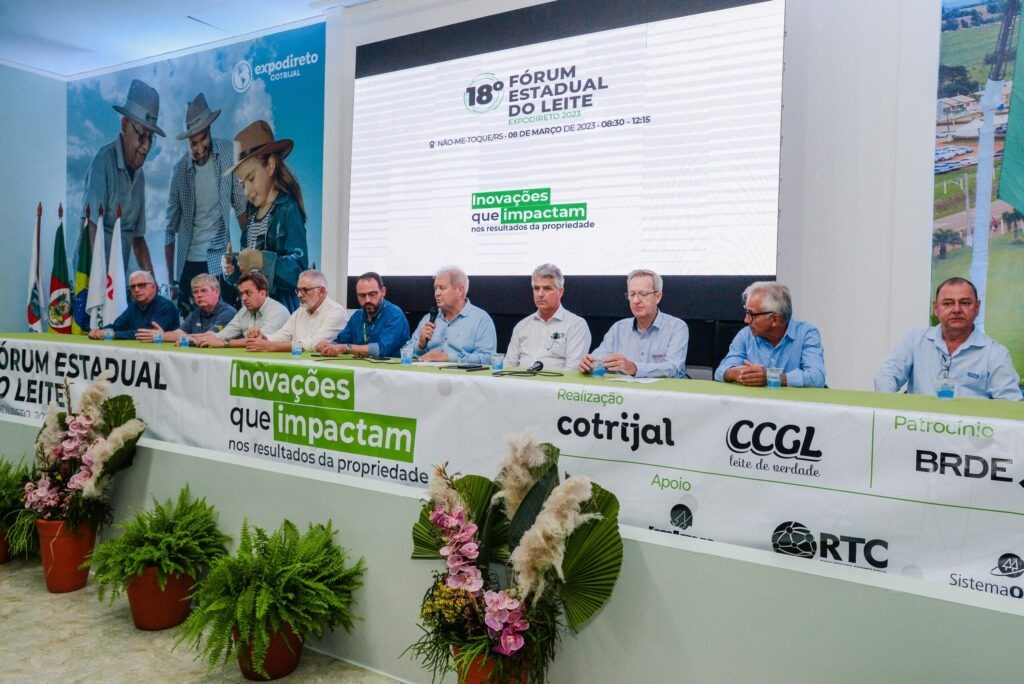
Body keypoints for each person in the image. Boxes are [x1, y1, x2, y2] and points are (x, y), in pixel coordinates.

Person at [164, 93, 247, 317]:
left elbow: (240, 207)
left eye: (203, 140)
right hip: (189, 262)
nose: (199, 148)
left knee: (225, 322)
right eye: (193, 144)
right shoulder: (179, 170)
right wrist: (172, 278)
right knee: (190, 327)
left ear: (210, 131)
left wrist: (249, 260)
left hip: (220, 259)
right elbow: (170, 228)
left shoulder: (229, 152)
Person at [874, 277, 1021, 400]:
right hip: (919, 430)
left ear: (977, 308)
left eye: (965, 303)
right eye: (948, 303)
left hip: (970, 432)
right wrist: (893, 412)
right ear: (936, 308)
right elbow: (886, 377)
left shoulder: (995, 354)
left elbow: (1009, 405)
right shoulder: (914, 341)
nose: (956, 309)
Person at [222, 120, 308, 312]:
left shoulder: (287, 209)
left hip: (280, 313)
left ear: (270, 165)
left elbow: (299, 271)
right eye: (242, 184)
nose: (247, 191)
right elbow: (249, 277)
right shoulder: (251, 218)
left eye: (251, 179)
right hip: (252, 314)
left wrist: (261, 261)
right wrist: (234, 271)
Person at [82, 79, 162, 275]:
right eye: (142, 135)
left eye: (151, 138)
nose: (146, 146)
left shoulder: (140, 177)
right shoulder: (103, 162)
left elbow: (138, 239)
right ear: (125, 125)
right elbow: (90, 227)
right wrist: (99, 283)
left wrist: (152, 284)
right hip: (92, 280)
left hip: (117, 284)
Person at [580, 269, 688, 378]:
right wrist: (590, 364)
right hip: (625, 393)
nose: (636, 300)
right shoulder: (618, 328)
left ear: (658, 297)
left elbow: (674, 368)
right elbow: (599, 360)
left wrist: (634, 368)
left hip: (663, 393)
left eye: (643, 294)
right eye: (632, 294)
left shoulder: (677, 327)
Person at [714, 281, 826, 387]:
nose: (746, 320)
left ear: (774, 320)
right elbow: (720, 372)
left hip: (793, 405)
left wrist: (771, 377)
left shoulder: (806, 334)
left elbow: (817, 378)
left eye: (751, 314)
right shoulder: (745, 335)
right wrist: (735, 373)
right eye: (746, 312)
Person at [505, 263, 591, 370]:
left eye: (547, 288)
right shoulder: (522, 325)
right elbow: (509, 363)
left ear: (560, 292)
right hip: (519, 383)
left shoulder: (576, 325)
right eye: (536, 288)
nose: (540, 294)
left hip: (556, 385)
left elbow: (573, 369)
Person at [409, 266, 496, 364]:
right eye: (435, 288)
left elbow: (488, 358)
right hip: (428, 377)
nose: (437, 293)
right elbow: (405, 353)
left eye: (442, 288)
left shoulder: (481, 319)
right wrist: (420, 345)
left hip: (462, 377)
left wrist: (450, 357)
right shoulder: (428, 319)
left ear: (460, 290)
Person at [244, 270, 346, 352]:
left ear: (322, 291)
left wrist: (271, 347)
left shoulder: (336, 312)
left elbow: (315, 344)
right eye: (298, 290)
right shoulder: (300, 311)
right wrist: (262, 338)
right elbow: (282, 336)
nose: (299, 295)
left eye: (305, 290)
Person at [316, 272, 410, 358]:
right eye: (362, 296)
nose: (367, 300)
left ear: (383, 292)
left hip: (391, 372)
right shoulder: (357, 316)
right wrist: (328, 346)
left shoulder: (395, 315)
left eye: (372, 294)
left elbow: (380, 350)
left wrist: (345, 348)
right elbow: (341, 341)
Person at [192, 271, 289, 348]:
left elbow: (259, 341)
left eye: (248, 293)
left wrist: (224, 343)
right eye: (242, 294)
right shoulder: (244, 311)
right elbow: (221, 335)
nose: (243, 298)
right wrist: (190, 339)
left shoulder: (277, 310)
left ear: (263, 293)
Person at [141, 274, 236, 344]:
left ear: (216, 292)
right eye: (195, 292)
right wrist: (166, 335)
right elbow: (177, 333)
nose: (199, 295)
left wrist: (163, 336)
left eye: (203, 291)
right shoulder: (195, 313)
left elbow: (208, 336)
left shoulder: (228, 312)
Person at [87, 271, 178, 340]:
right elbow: (117, 326)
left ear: (154, 288)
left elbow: (145, 334)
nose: (136, 290)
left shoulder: (166, 306)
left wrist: (111, 334)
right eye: (132, 287)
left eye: (141, 285)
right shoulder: (134, 306)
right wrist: (100, 331)